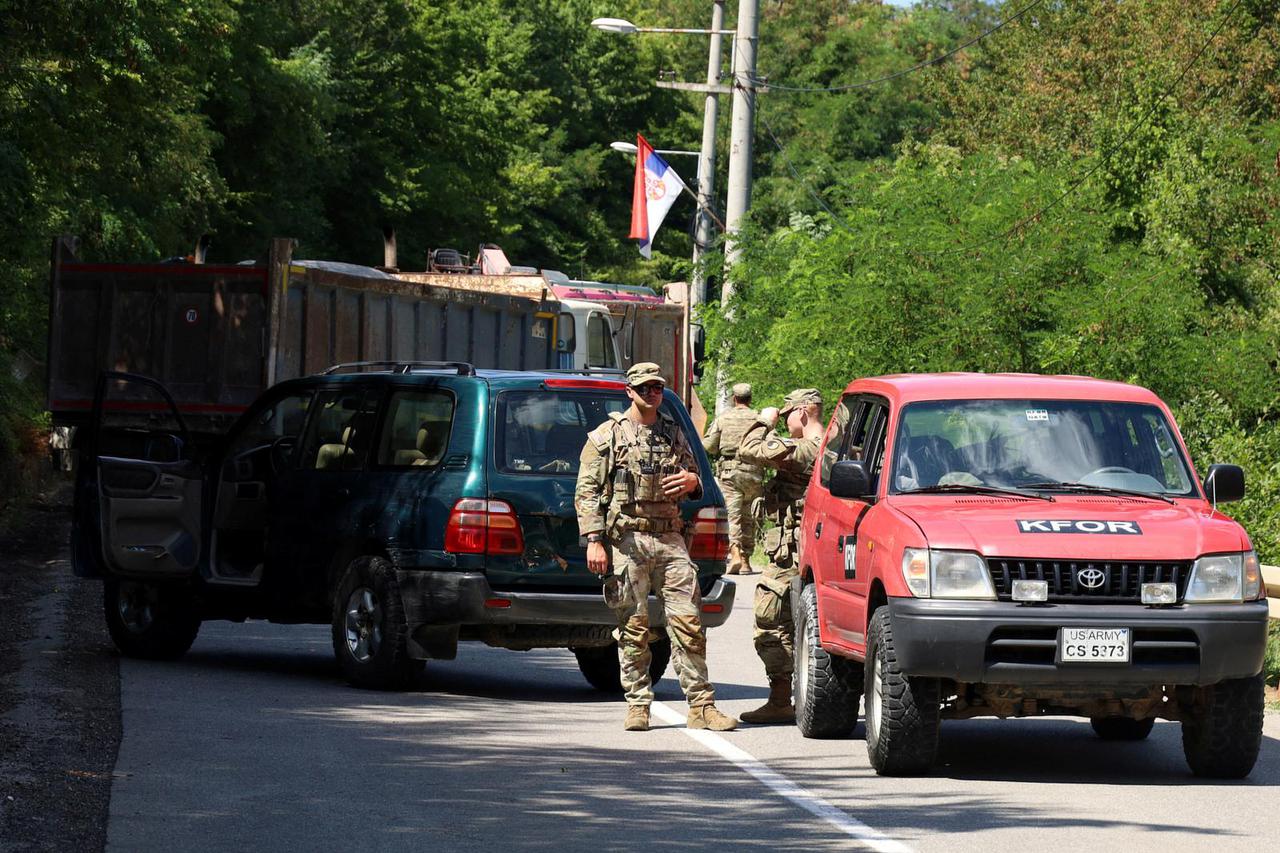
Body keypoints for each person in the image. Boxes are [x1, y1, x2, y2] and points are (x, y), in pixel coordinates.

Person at [574, 362, 738, 733]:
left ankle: (701, 706)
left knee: (689, 622)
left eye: (658, 387)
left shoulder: (673, 433)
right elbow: (586, 493)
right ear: (630, 391)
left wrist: (692, 480)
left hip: (670, 538)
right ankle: (637, 703)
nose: (652, 393)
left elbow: (697, 480)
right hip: (628, 541)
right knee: (633, 627)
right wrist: (595, 540)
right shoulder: (607, 436)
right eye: (645, 388)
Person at [735, 388, 823, 725]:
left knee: (771, 621)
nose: (785, 421)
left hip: (796, 556)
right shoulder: (833, 445)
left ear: (802, 412)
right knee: (794, 625)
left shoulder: (811, 448)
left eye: (789, 414)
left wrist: (764, 420)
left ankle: (781, 698)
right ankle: (787, 698)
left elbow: (749, 449)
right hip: (801, 552)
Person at [701, 383, 765, 575]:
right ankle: (746, 561)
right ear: (750, 399)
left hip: (730, 472)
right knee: (749, 517)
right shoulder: (759, 419)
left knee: (732, 516)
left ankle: (735, 553)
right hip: (754, 472)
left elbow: (710, 446)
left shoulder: (724, 418)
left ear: (734, 399)